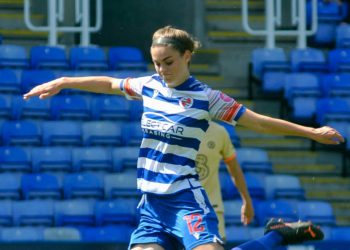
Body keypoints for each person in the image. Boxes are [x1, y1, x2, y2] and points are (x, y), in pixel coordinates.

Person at [23, 25, 343, 250]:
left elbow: (259, 123)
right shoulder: (148, 85)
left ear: (187, 56)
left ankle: (277, 236)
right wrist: (64, 81)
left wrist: (311, 132)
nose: (162, 70)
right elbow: (109, 83)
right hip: (151, 202)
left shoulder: (208, 98)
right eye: (157, 63)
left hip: (185, 200)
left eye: (169, 62)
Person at [195, 121, 254, 241]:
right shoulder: (172, 129)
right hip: (178, 208)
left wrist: (246, 200)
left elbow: (235, 170)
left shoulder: (219, 132)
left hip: (212, 208)